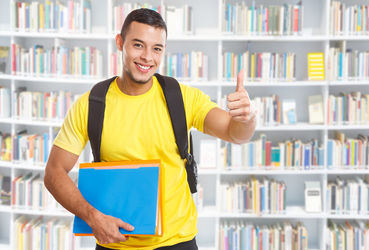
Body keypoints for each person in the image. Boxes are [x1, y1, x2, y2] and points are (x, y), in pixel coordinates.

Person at [44, 8, 256, 250]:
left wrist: (246, 118)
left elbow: (234, 133)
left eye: (157, 48)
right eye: (138, 45)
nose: (147, 57)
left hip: (179, 242)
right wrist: (92, 217)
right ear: (119, 43)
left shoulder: (181, 98)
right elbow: (54, 173)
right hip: (115, 243)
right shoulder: (91, 104)